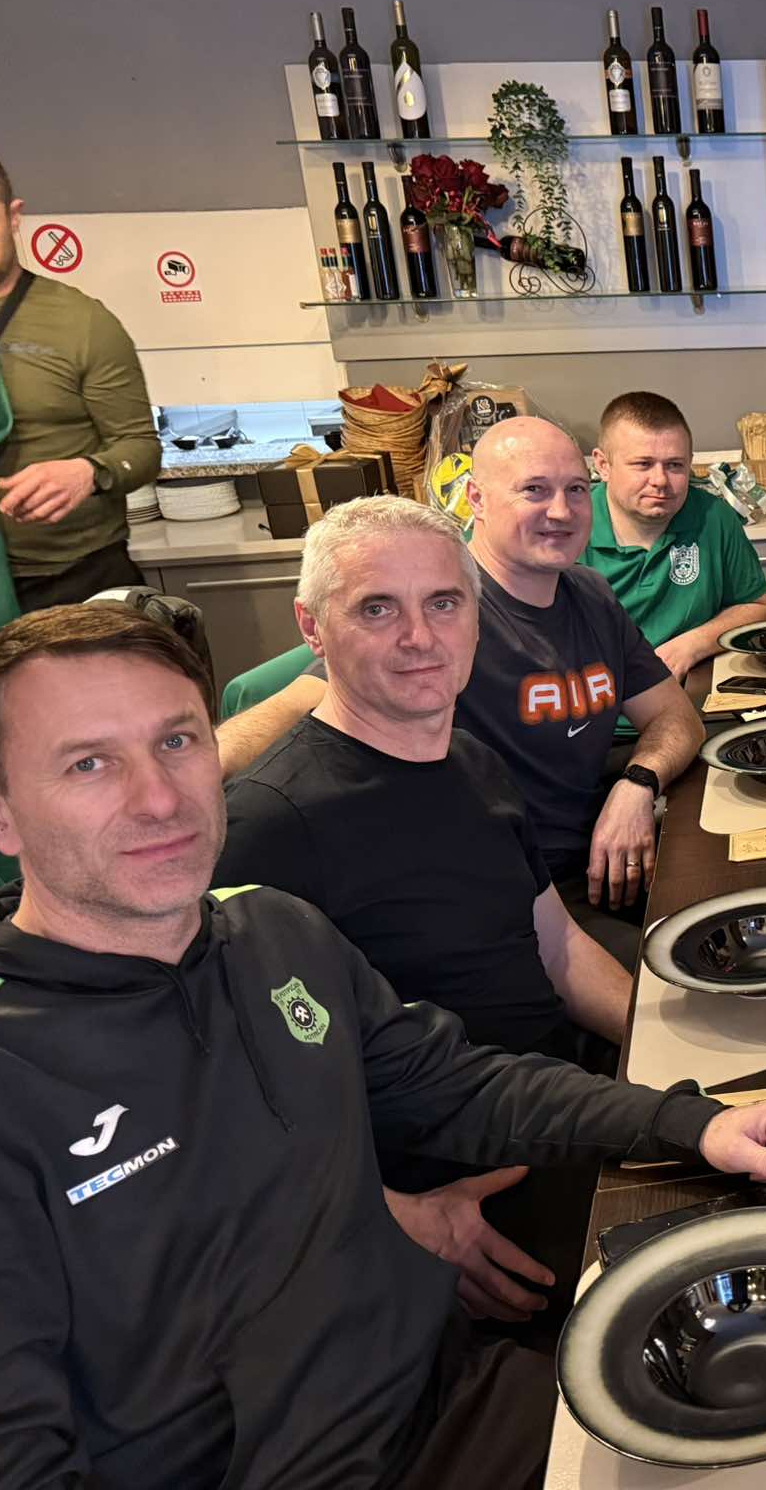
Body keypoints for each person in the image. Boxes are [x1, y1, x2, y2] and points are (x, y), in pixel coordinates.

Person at [0, 603, 766, 1489]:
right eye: (89, 763)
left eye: (177, 742)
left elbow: (461, 1087)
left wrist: (693, 1122)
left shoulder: (273, 931)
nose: (159, 798)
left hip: (461, 1400)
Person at [212, 496, 646, 1318]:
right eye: (377, 609)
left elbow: (556, 949)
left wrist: (656, 1040)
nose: (420, 637)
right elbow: (223, 1090)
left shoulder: (471, 760)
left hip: (554, 1106)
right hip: (452, 1188)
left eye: (443, 603)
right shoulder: (269, 825)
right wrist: (394, 1220)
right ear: (312, 628)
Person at [219, 416, 707, 965]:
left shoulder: (589, 594)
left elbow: (675, 717)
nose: (561, 511)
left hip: (606, 858)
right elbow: (302, 703)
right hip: (520, 893)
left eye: (575, 490)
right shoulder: (448, 613)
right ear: (476, 499)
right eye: (534, 490)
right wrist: (182, 775)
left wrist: (637, 785)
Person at [0, 141, 161, 609]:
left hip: (71, 578)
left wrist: (87, 472)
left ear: (13, 217)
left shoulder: (81, 322)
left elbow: (141, 448)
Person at [583, 390, 766, 682]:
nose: (660, 480)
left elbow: (757, 605)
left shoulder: (714, 517)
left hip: (689, 689)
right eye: (642, 464)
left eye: (674, 465)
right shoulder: (570, 527)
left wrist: (693, 644)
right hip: (597, 697)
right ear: (603, 465)